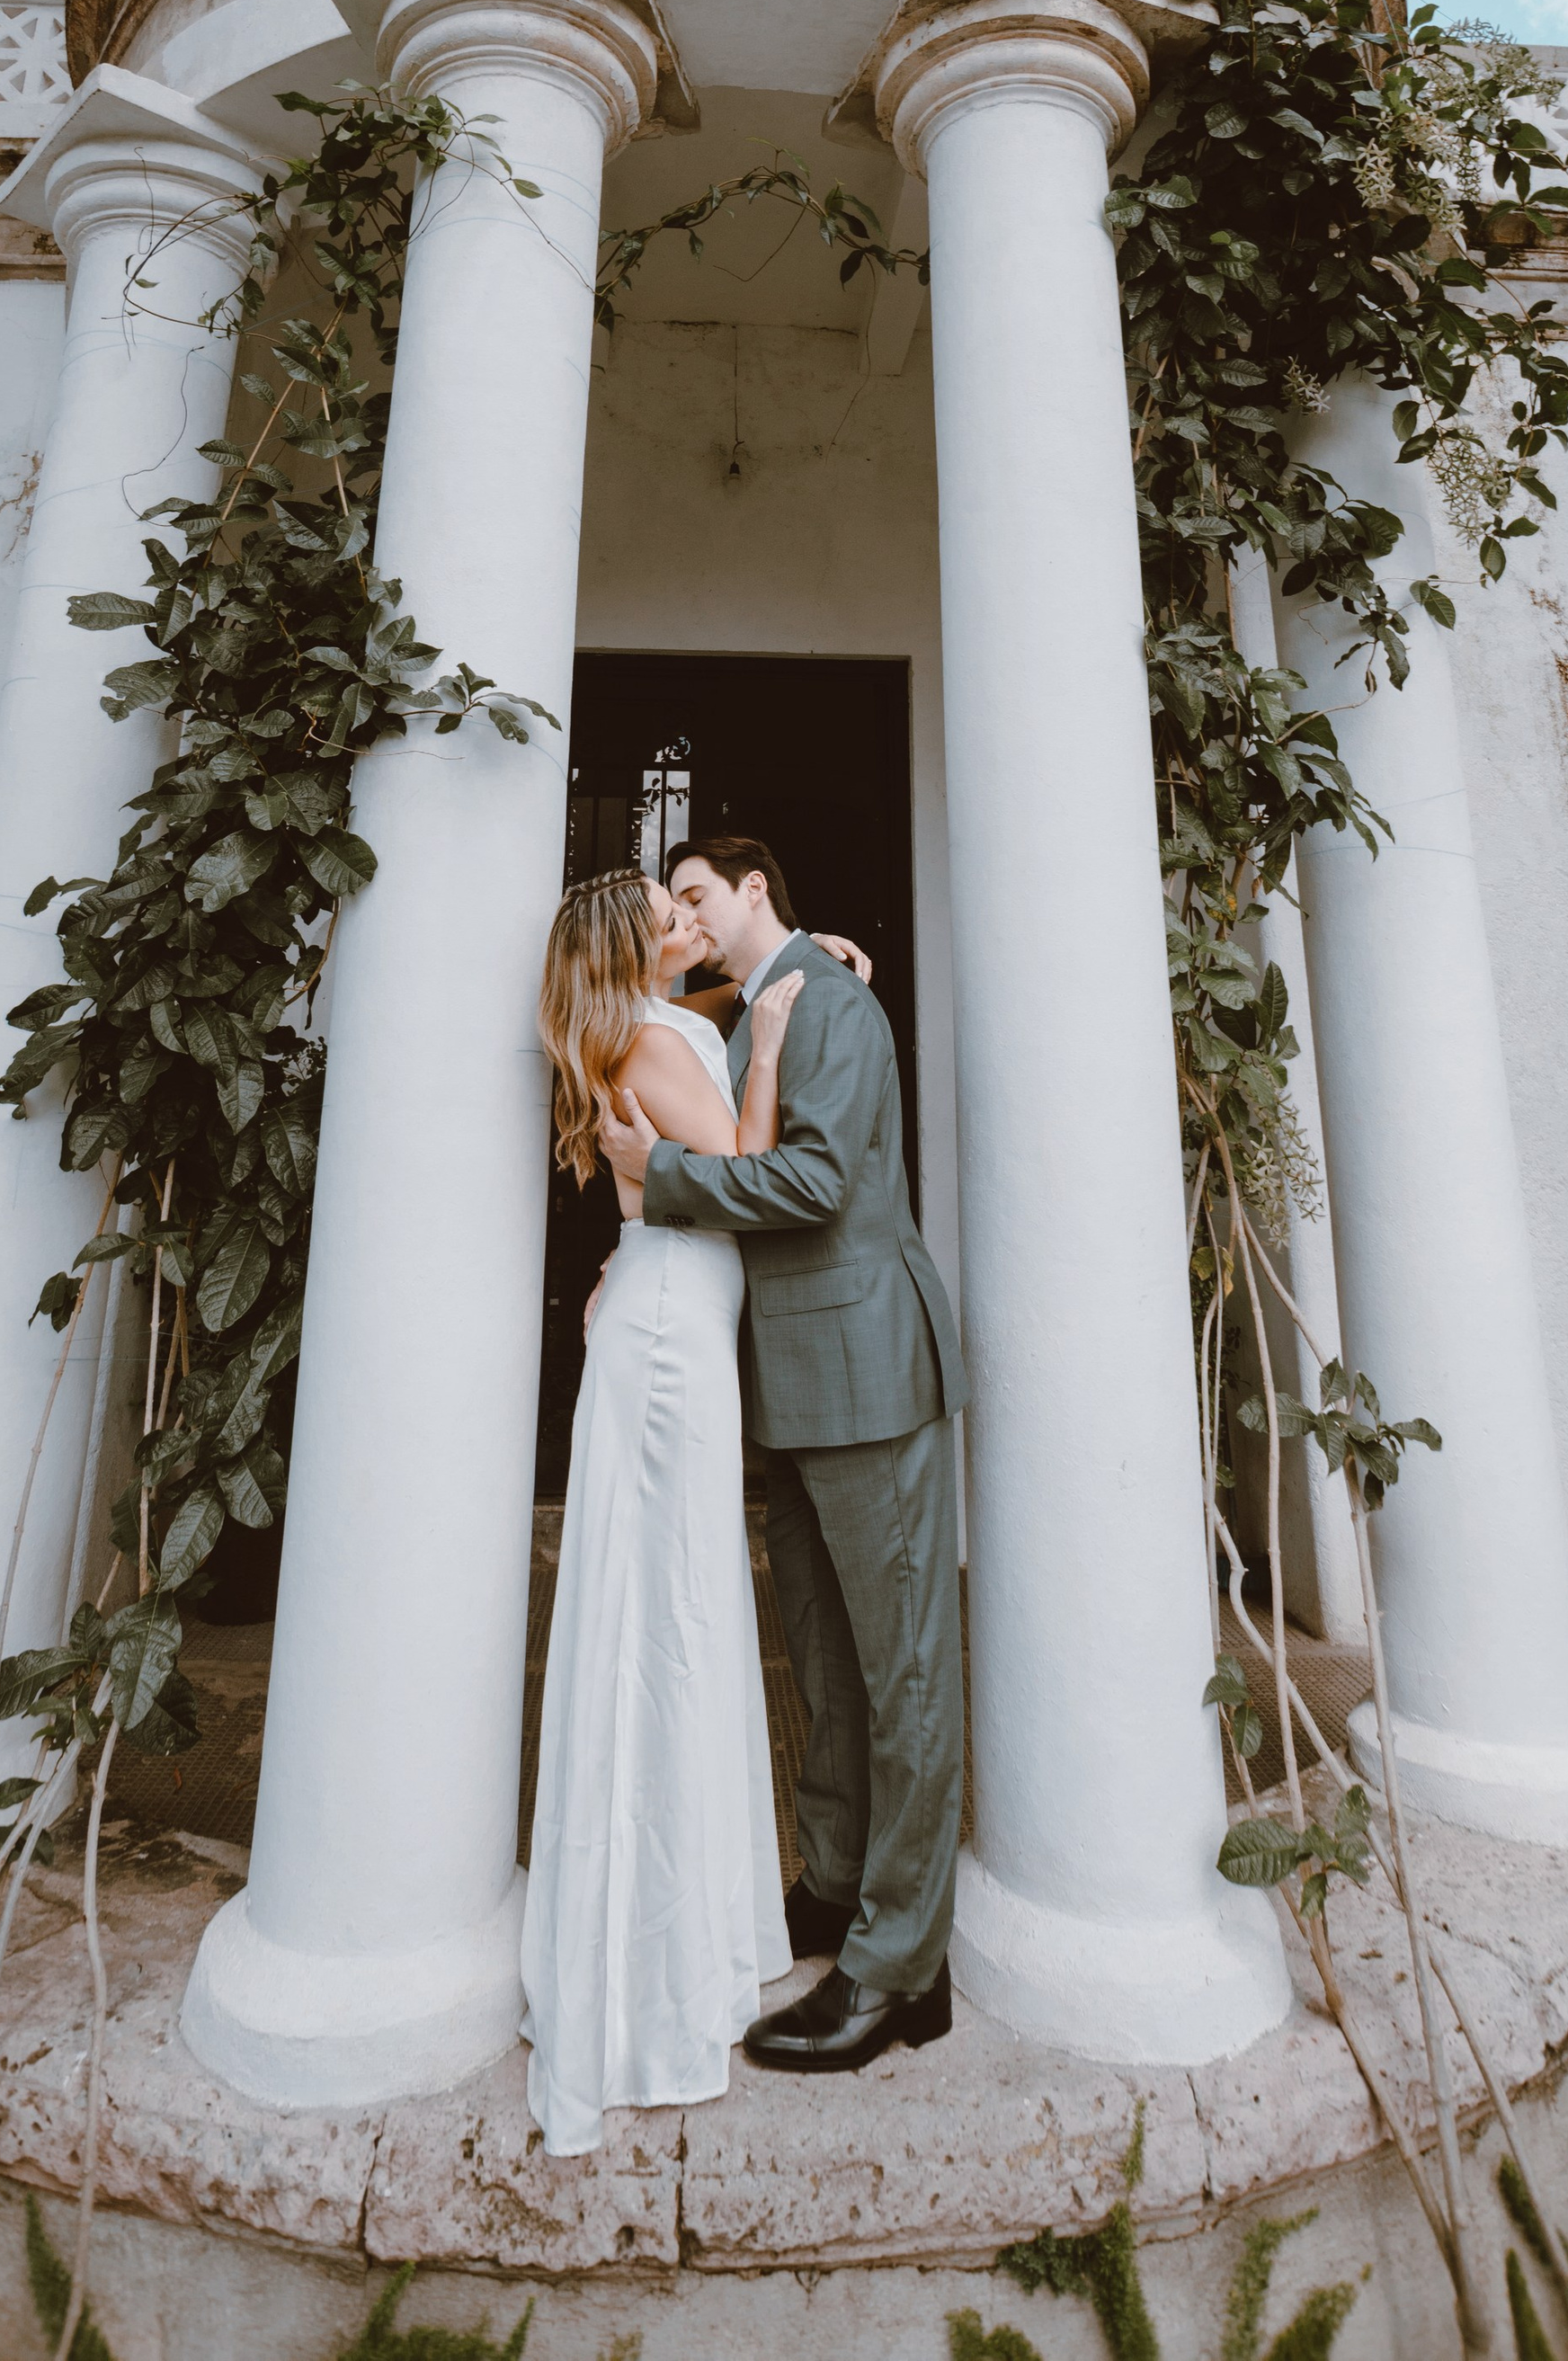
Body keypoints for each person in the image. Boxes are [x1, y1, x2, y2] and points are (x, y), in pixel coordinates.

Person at [601, 834, 967, 2077]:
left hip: (869, 1376)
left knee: (905, 1668)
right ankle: (839, 1881)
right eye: (675, 903)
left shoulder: (837, 1003)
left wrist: (668, 1178)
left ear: (760, 891)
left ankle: (901, 1968)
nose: (688, 916)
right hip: (787, 1386)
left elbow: (810, 1181)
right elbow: (686, 1011)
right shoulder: (756, 1005)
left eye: (699, 894)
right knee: (824, 1656)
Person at [524, 866, 845, 2154]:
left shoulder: (660, 1022)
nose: (688, 921)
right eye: (669, 911)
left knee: (687, 1607)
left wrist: (802, 956)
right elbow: (748, 1169)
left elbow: (673, 1168)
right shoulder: (659, 1038)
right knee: (669, 1616)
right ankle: (643, 1966)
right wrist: (770, 1035)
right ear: (634, 945)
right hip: (668, 1342)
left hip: (670, 1311)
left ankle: (689, 1928)